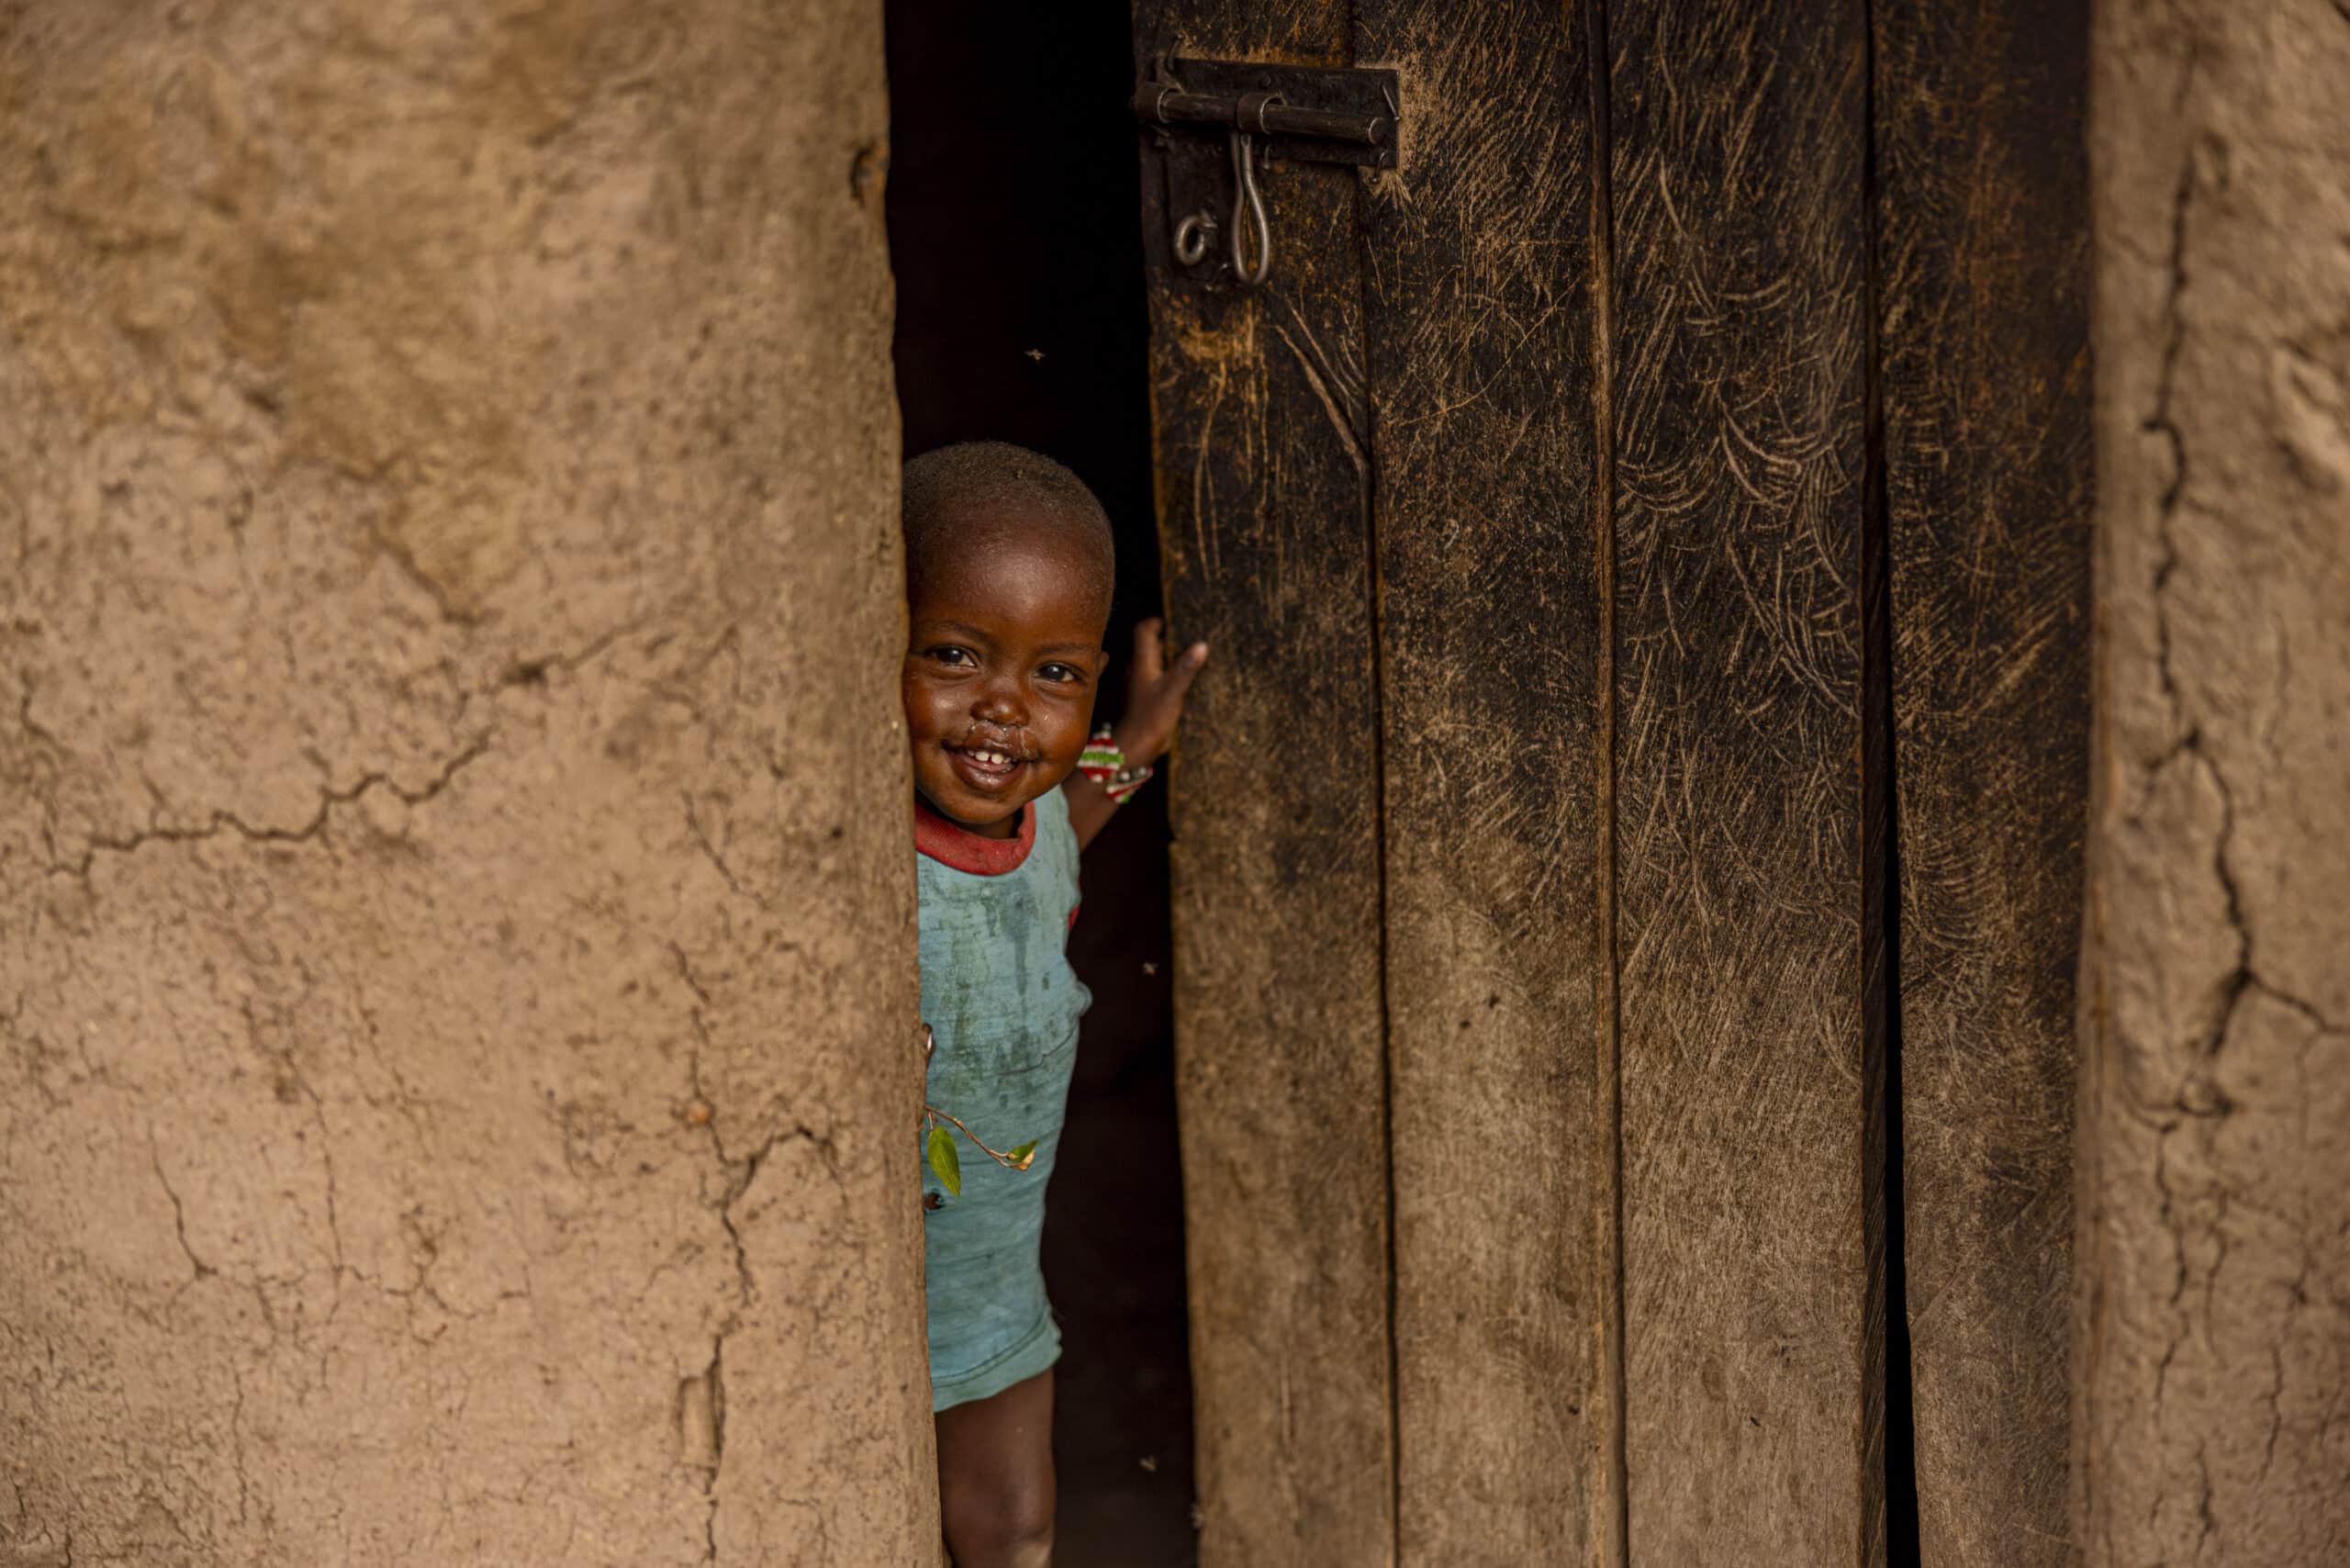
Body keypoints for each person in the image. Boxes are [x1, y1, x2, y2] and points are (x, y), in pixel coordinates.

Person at [902, 442, 1206, 1567]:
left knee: (1015, 1520)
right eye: (953, 653)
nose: (1001, 707)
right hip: (871, 1287)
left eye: (1055, 674)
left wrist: (1136, 743)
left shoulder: (1030, 846)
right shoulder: (881, 869)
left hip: (990, 1286)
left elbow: (1062, 843)